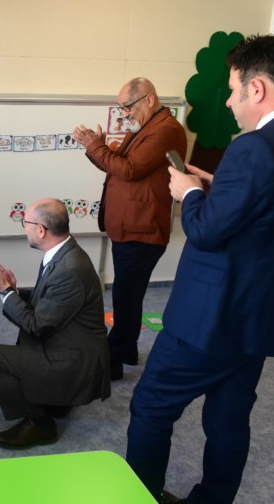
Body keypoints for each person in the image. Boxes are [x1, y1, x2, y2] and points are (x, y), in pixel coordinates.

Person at [126, 34, 274, 504]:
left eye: (234, 91)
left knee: (151, 407)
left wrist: (189, 193)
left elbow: (207, 232)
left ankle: (138, 497)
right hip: (264, 317)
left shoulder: (254, 147)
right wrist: (220, 186)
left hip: (209, 319)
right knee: (229, 421)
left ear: (256, 89)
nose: (232, 103)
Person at [73, 77, 186, 380]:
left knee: (125, 296)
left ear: (149, 98)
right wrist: (94, 145)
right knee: (128, 295)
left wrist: (96, 145)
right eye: (122, 108)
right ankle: (128, 350)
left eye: (128, 106)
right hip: (130, 228)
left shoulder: (167, 130)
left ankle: (113, 361)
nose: (125, 113)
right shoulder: (145, 128)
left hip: (143, 230)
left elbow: (129, 170)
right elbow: (115, 164)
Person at [0, 198, 110, 449]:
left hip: (75, 362)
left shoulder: (69, 268)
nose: (23, 227)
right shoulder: (65, 253)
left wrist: (5, 292)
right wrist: (12, 290)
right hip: (70, 347)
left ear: (41, 230)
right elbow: (49, 302)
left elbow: (36, 325)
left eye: (25, 222)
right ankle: (56, 401)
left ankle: (40, 424)